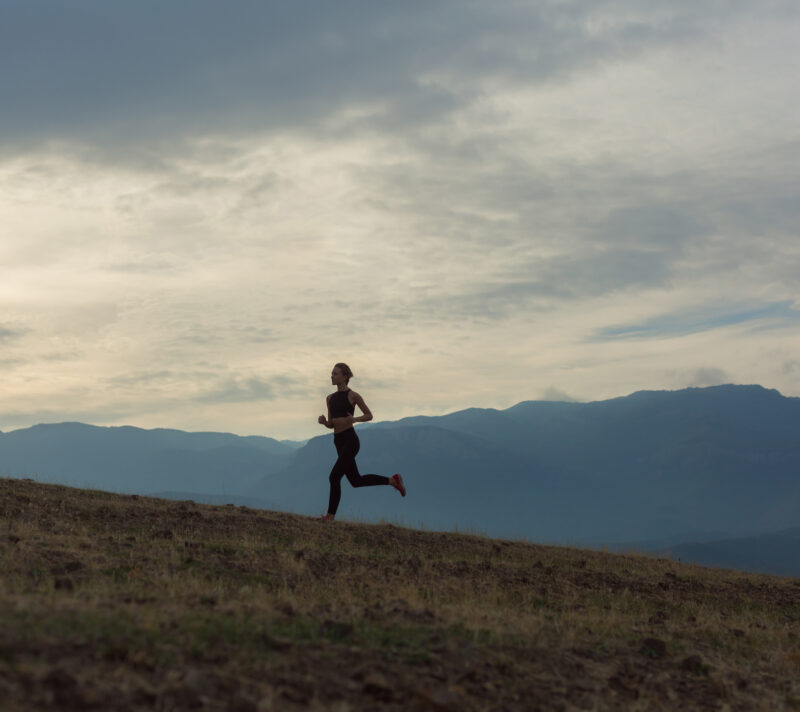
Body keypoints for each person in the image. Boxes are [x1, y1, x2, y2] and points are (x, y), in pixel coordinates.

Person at [317, 362, 405, 521]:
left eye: (335, 374)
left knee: (334, 477)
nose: (332, 376)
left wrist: (355, 419)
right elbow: (332, 424)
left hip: (351, 441)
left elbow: (369, 415)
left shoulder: (353, 396)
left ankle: (330, 516)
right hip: (338, 441)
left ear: (345, 377)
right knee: (356, 481)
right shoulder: (329, 398)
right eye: (332, 373)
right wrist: (324, 422)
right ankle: (392, 480)